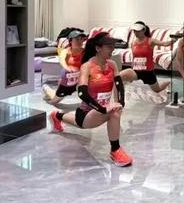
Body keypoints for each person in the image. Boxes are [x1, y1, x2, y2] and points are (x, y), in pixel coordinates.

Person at [48, 32, 133, 167]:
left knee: (115, 110)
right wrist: (102, 108)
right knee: (112, 112)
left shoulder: (112, 65)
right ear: (98, 48)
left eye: (113, 47)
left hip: (101, 112)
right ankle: (115, 150)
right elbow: (82, 93)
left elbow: (118, 84)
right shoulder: (87, 66)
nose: (112, 50)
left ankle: (57, 116)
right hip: (86, 114)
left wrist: (120, 102)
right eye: (109, 47)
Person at [120, 21, 174, 99]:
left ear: (144, 30)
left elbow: (165, 44)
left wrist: (174, 39)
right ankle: (119, 99)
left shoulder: (150, 41)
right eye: (134, 31)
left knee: (157, 90)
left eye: (138, 31)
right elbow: (134, 57)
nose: (135, 33)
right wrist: (132, 68)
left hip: (148, 72)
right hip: (136, 71)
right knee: (119, 76)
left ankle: (168, 82)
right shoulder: (133, 43)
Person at [42, 30, 87, 105]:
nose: (80, 41)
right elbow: (62, 60)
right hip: (67, 80)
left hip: (79, 80)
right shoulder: (66, 51)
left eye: (81, 39)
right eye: (77, 39)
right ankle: (46, 88)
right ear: (70, 41)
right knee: (54, 101)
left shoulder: (85, 52)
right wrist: (67, 68)